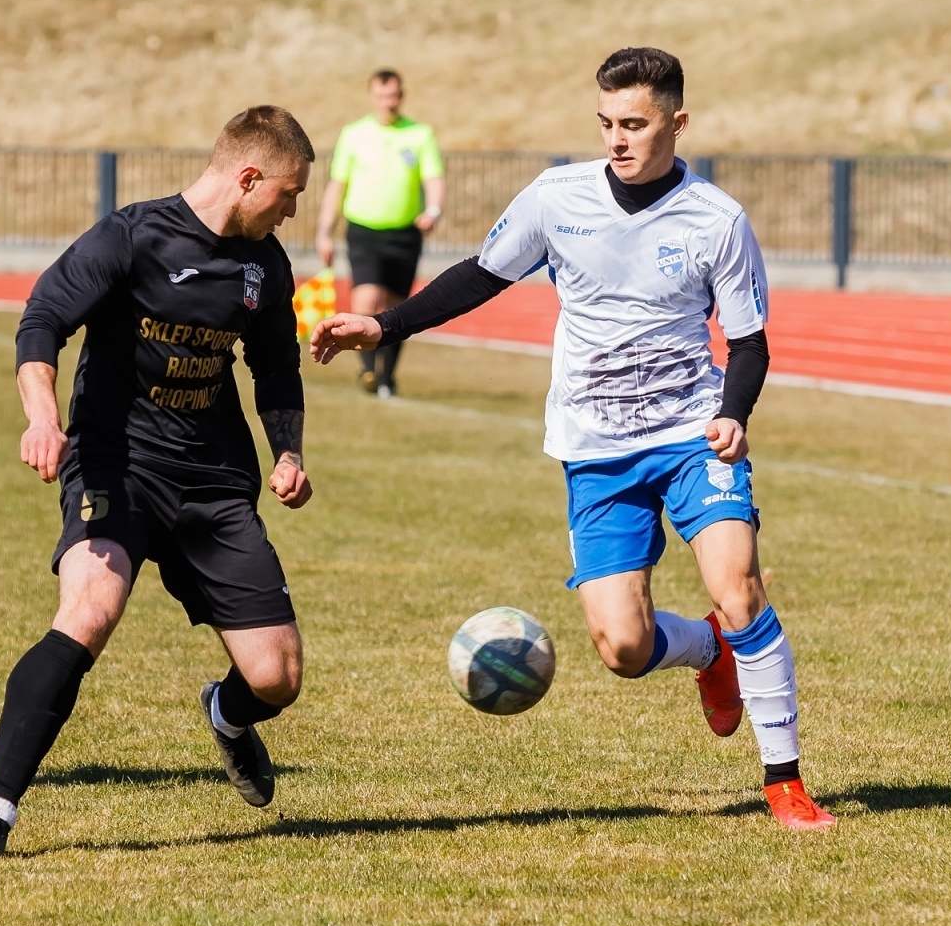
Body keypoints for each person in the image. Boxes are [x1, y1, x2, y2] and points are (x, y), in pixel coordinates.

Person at [311, 48, 836, 830]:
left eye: (635, 124)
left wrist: (733, 412)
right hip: (596, 448)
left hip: (694, 437)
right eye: (606, 124)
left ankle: (785, 783)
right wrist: (382, 326)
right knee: (622, 647)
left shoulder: (717, 219)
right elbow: (480, 276)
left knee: (739, 590)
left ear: (676, 123)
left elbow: (750, 341)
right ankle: (708, 654)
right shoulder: (557, 198)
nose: (617, 139)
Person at [0, 106, 316, 861]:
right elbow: (42, 320)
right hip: (119, 465)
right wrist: (43, 417)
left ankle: (226, 712)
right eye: (287, 194)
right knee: (89, 611)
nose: (291, 210)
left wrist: (288, 453)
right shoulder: (132, 237)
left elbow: (276, 366)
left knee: (277, 677)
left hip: (214, 483)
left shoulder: (265, 265)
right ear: (248, 178)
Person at [315, 69, 445, 398]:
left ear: (402, 95)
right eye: (383, 96)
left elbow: (433, 178)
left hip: (404, 234)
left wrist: (433, 210)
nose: (389, 102)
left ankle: (388, 376)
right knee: (367, 300)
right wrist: (324, 231)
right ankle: (368, 369)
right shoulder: (354, 134)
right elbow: (337, 184)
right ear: (372, 96)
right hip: (363, 232)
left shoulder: (419, 134)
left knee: (397, 308)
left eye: (395, 95)